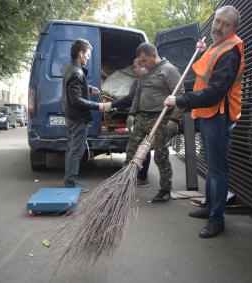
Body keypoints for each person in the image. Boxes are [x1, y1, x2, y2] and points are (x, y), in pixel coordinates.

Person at [164, 5, 245, 237]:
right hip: (209, 115)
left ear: (234, 28)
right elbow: (205, 75)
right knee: (211, 166)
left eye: (225, 24)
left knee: (218, 170)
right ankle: (210, 207)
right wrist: (201, 51)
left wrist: (181, 100)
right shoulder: (216, 46)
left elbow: (215, 91)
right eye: (217, 21)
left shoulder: (231, 51)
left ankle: (217, 219)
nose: (218, 26)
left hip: (219, 116)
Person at [125, 42, 184, 203]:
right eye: (140, 62)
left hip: (160, 119)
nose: (142, 65)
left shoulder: (169, 70)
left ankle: (165, 189)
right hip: (142, 117)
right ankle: (124, 186)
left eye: (144, 61)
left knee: (160, 155)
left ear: (154, 55)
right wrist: (132, 113)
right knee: (131, 152)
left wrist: (175, 119)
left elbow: (180, 94)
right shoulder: (144, 73)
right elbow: (138, 94)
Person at [62, 38, 110, 189]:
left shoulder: (71, 69)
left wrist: (89, 88)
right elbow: (76, 100)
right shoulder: (76, 72)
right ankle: (71, 183)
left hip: (71, 116)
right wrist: (99, 106)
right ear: (80, 54)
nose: (88, 57)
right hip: (77, 118)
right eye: (87, 54)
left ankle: (70, 180)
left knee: (72, 148)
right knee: (76, 150)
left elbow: (75, 86)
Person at [104, 58, 152, 186]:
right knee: (142, 148)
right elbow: (133, 100)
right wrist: (128, 112)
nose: (133, 70)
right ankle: (138, 176)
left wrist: (113, 105)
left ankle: (140, 177)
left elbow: (130, 99)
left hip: (146, 118)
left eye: (134, 67)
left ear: (141, 66)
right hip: (142, 117)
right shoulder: (141, 80)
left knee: (140, 148)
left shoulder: (143, 80)